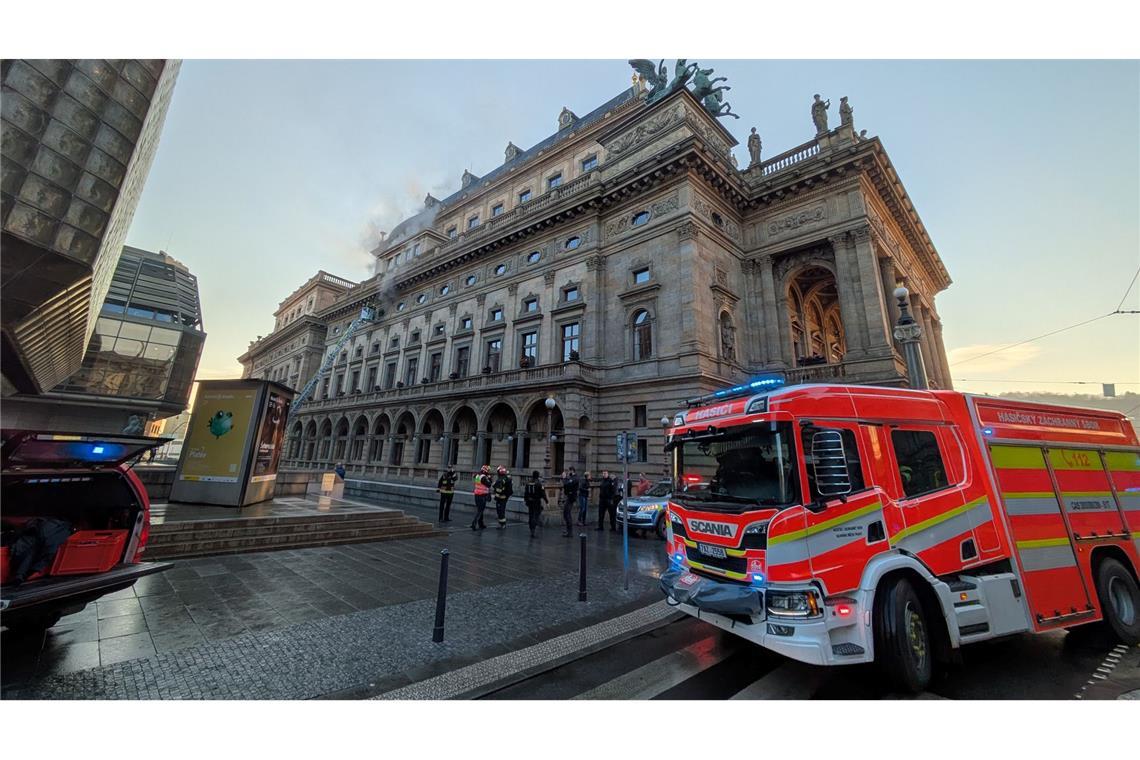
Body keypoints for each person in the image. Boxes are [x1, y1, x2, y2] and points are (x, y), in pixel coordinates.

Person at [523, 470, 548, 538]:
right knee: (536, 515)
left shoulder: (528, 483)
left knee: (531, 515)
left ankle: (531, 529)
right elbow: (543, 494)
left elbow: (525, 493)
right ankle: (533, 529)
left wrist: (526, 500)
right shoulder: (539, 484)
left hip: (529, 501)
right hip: (536, 502)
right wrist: (547, 501)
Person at [470, 465, 492, 531]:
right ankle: (474, 524)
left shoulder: (477, 476)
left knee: (480, 510)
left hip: (477, 495)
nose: (488, 472)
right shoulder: (484, 477)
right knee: (480, 511)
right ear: (486, 471)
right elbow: (489, 484)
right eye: (488, 471)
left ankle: (481, 524)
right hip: (482, 495)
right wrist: (490, 478)